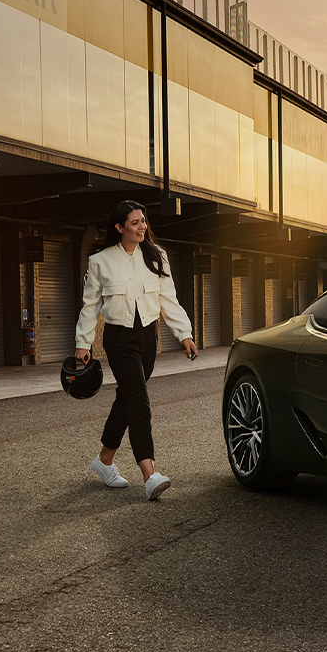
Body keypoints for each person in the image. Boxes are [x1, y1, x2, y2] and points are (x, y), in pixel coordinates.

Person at [73, 201, 198, 499]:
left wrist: (185, 334)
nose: (142, 226)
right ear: (119, 228)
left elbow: (169, 299)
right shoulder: (100, 261)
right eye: (135, 223)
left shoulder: (157, 256)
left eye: (143, 221)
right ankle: (150, 473)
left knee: (128, 398)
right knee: (139, 401)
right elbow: (90, 305)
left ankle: (104, 460)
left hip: (147, 339)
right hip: (119, 339)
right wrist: (83, 342)